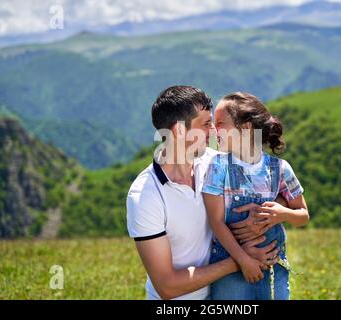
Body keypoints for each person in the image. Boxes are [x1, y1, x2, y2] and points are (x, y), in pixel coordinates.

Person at [126, 86, 281, 300]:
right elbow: (167, 287)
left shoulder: (215, 163)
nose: (214, 132)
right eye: (206, 124)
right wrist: (240, 260)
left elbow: (270, 185)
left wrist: (267, 213)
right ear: (179, 131)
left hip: (225, 295)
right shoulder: (145, 196)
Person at [202, 92, 310, 300]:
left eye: (221, 123)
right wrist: (244, 261)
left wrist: (282, 213)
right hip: (231, 268)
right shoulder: (218, 167)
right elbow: (216, 222)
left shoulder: (280, 169)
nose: (215, 130)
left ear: (245, 128)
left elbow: (303, 215)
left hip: (274, 268)